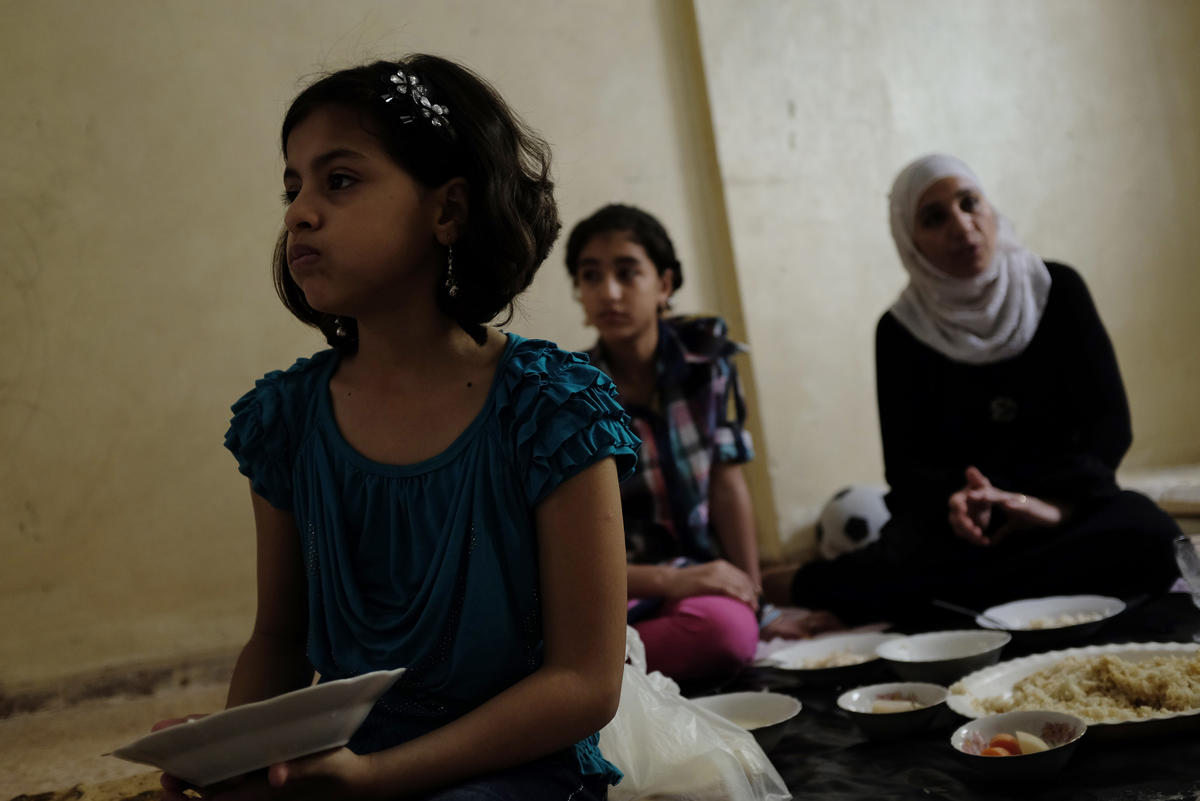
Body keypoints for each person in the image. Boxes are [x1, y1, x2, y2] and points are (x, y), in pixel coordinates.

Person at [158, 56, 640, 801]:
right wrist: (238, 755)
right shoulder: (284, 420)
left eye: (339, 180)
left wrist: (377, 778)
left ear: (448, 211)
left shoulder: (551, 409)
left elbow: (584, 682)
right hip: (344, 764)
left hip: (516, 769)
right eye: (292, 187)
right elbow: (279, 637)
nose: (298, 213)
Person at [774, 154, 1181, 629]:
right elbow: (906, 468)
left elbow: (1108, 425)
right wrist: (958, 507)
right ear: (910, 241)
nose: (961, 225)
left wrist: (1048, 506)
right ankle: (775, 586)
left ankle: (952, 607)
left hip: (1065, 512)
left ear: (990, 209)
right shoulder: (900, 331)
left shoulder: (1057, 290)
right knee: (904, 568)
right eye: (934, 218)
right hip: (967, 536)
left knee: (1150, 535)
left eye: (969, 203)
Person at [565, 204, 838, 684]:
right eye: (591, 276)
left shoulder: (706, 364)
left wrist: (758, 603)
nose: (608, 292)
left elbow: (727, 486)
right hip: (615, 586)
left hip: (699, 579)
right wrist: (670, 580)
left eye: (627, 272)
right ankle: (584, 667)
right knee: (715, 631)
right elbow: (573, 551)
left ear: (664, 285)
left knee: (727, 629)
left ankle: (588, 671)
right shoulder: (569, 393)